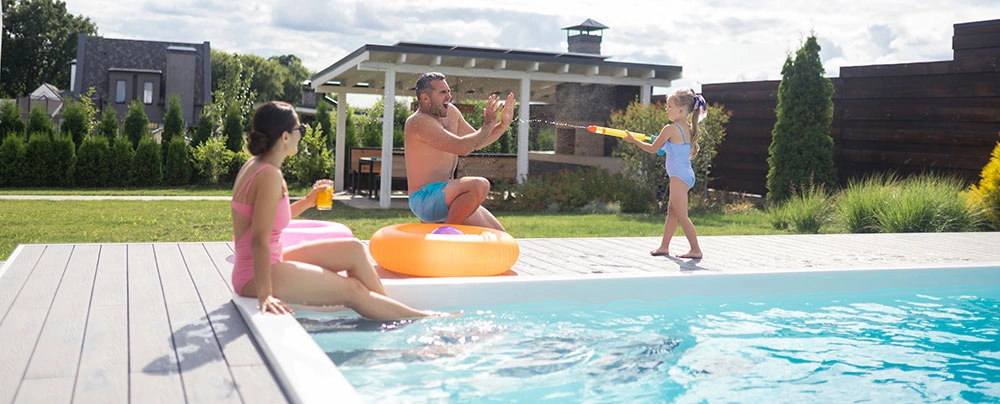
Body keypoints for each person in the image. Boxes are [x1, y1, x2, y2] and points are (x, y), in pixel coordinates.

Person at [231, 101, 437, 319]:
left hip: (269, 261)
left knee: (354, 249)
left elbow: (267, 220)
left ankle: (389, 311)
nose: (301, 135)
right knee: (352, 290)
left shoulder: (257, 166)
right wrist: (266, 295)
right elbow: (259, 240)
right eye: (299, 130)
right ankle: (418, 319)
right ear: (284, 137)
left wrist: (309, 201)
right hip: (254, 276)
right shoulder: (268, 175)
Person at [404, 72, 516, 231]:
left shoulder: (452, 113)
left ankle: (445, 231)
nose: (449, 96)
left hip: (449, 196)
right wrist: (488, 124)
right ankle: (446, 232)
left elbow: (477, 141)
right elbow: (462, 148)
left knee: (500, 235)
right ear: (425, 98)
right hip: (425, 199)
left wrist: (503, 124)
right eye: (442, 92)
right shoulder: (418, 122)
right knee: (480, 185)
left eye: (449, 91)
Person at [624, 89, 706, 259]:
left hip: (678, 177)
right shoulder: (687, 127)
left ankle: (696, 249)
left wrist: (633, 140)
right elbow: (674, 149)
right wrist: (664, 145)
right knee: (672, 212)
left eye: (669, 106)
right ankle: (664, 247)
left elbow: (653, 149)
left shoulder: (670, 128)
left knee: (682, 215)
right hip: (685, 175)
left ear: (681, 110)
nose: (666, 109)